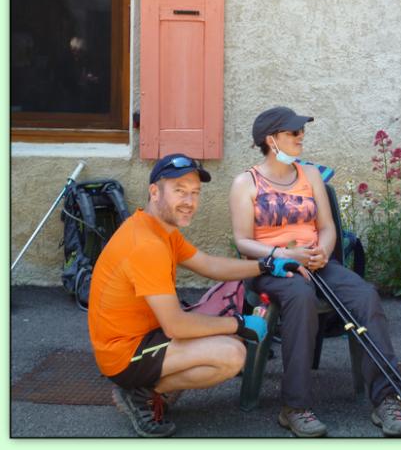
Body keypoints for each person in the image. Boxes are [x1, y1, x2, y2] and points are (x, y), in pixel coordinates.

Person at [229, 106, 401, 438]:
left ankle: (386, 399)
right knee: (300, 297)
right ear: (271, 140)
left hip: (316, 262)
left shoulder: (310, 175)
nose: (301, 137)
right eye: (293, 132)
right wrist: (287, 255)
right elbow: (243, 242)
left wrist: (321, 253)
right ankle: (295, 406)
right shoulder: (246, 183)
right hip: (270, 266)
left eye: (301, 131)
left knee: (365, 295)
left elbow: (327, 228)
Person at [88, 154, 300, 438]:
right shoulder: (147, 245)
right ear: (154, 192)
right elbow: (176, 325)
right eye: (179, 191)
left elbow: (209, 265)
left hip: (147, 334)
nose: (189, 201)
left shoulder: (158, 229)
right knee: (232, 354)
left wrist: (266, 265)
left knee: (229, 338)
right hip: (124, 353)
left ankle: (149, 389)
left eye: (195, 193)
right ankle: (140, 393)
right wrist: (239, 323)